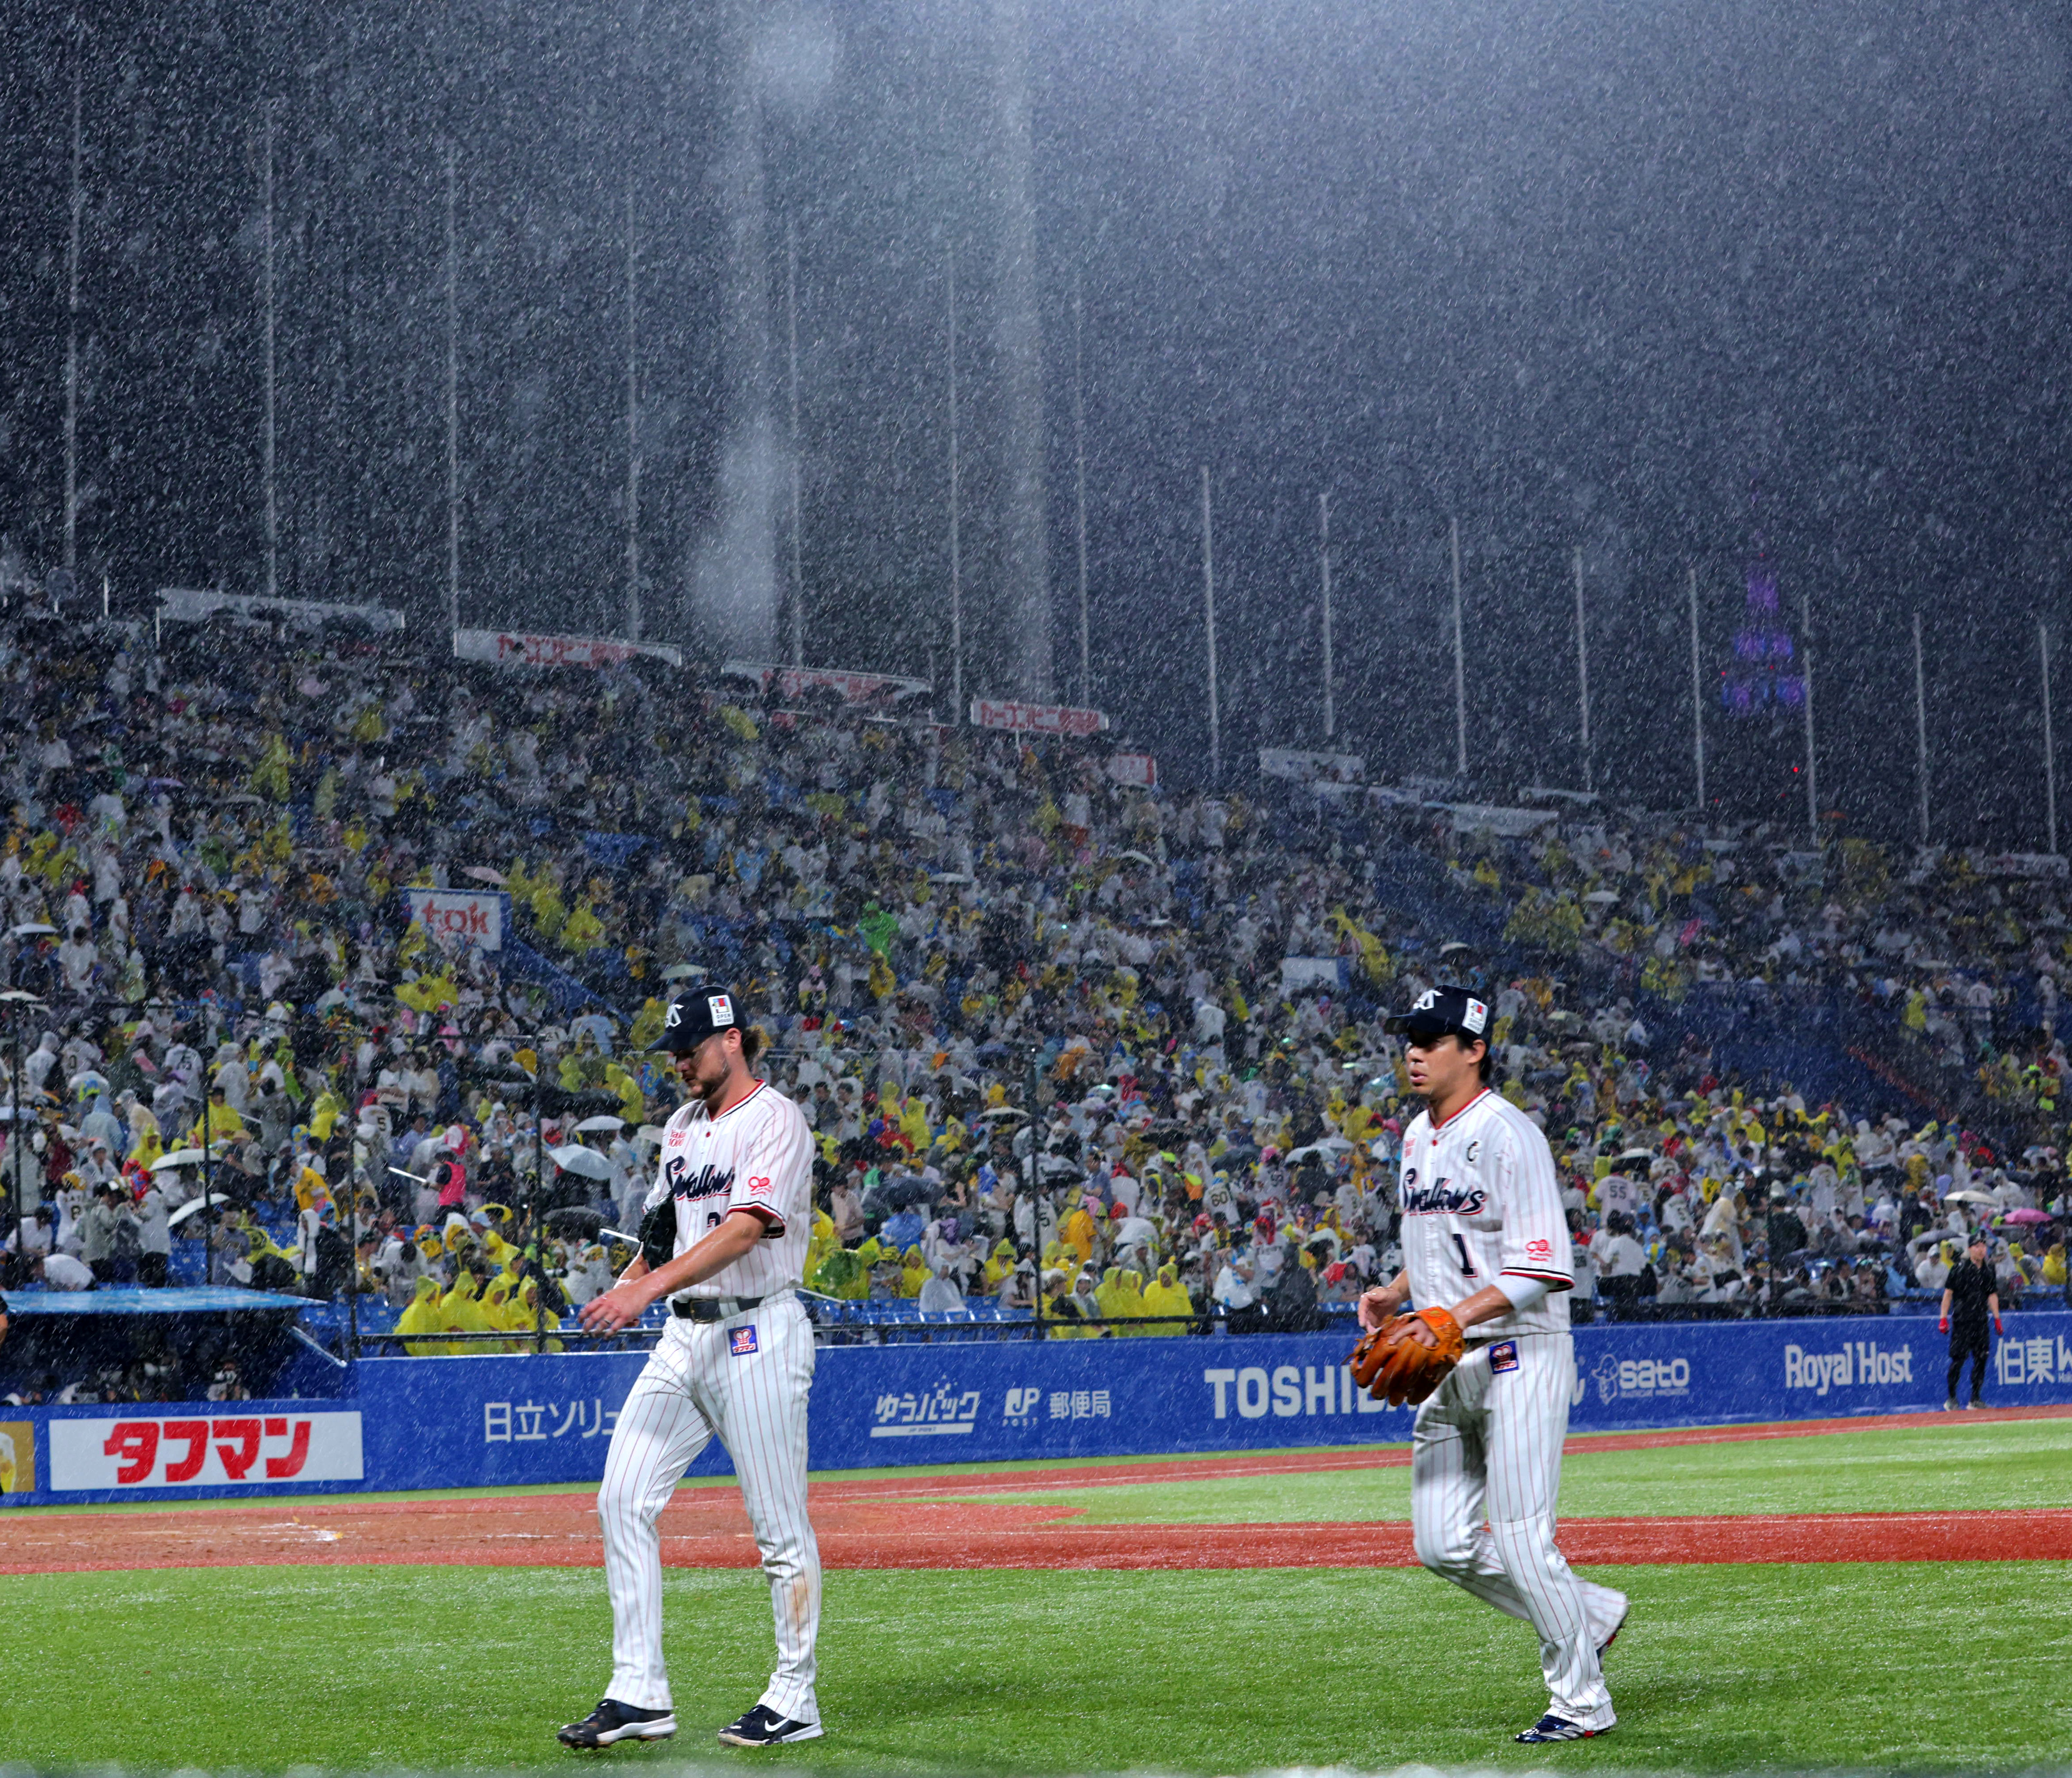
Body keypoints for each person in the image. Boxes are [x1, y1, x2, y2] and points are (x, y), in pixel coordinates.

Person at [1356, 986, 1626, 1744]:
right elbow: (1443, 1243)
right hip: (1451, 1362)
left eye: (1432, 1038)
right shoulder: (1415, 1135)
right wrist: (1397, 1291)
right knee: (1442, 1544)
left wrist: (1449, 1316)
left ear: (1473, 1049)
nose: (1414, 1050)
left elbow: (1540, 1267)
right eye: (1410, 1036)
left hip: (1522, 1355)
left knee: (1517, 1536)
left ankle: (1581, 1703)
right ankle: (1593, 1614)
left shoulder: (1510, 1135)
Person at [563, 987, 822, 1750]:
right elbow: (661, 1232)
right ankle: (639, 1691)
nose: (679, 1063)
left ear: (733, 1040)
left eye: (692, 1048)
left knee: (777, 1529)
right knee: (621, 1499)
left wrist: (647, 1286)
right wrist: (629, 1280)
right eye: (673, 1052)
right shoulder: (679, 1128)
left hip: (758, 1332)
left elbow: (745, 1229)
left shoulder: (775, 1120)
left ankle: (794, 1697)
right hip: (684, 1336)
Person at [1940, 1236, 2002, 1410]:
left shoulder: (1988, 1270)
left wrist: (1997, 1318)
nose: (1982, 1250)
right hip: (1963, 1320)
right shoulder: (1960, 1269)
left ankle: (1975, 1398)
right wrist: (1943, 1318)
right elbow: (1948, 1293)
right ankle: (1952, 1397)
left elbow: (1992, 1294)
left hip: (1981, 1320)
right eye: (1977, 1246)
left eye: (1984, 1246)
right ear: (1970, 1249)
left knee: (1981, 1358)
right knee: (1958, 1360)